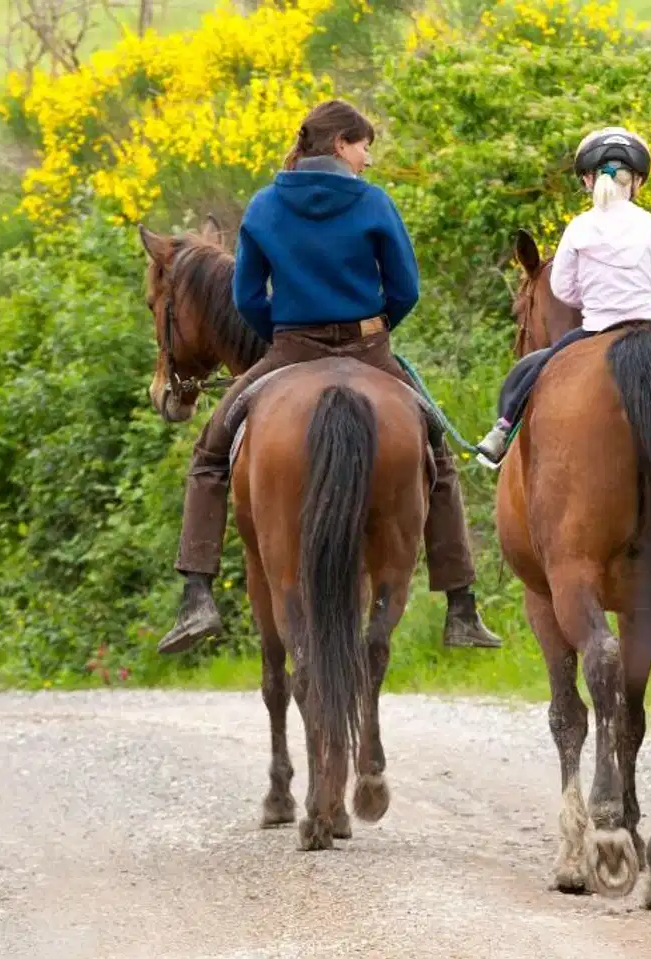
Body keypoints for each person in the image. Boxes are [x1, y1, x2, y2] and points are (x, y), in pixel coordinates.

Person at [160, 99, 501, 655]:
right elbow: (406, 288)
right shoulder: (373, 203)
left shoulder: (266, 206)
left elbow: (246, 295)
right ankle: (461, 604)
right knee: (436, 452)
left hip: (290, 349)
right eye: (364, 145)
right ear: (340, 144)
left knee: (211, 450)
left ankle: (196, 594)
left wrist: (286, 330)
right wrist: (375, 326)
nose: (368, 157)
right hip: (369, 349)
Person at [475, 127, 651, 467]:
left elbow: (562, 289)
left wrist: (591, 298)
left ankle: (501, 431)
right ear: (636, 182)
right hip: (649, 324)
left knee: (536, 369)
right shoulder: (647, 222)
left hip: (597, 328)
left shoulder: (580, 226)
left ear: (588, 181)